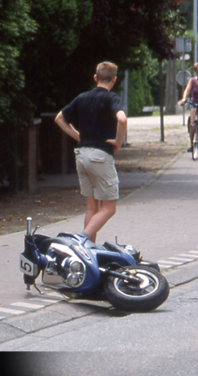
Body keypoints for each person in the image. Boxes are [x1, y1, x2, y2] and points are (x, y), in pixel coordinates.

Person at [55, 62, 127, 243]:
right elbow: (122, 119)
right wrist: (118, 142)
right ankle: (81, 240)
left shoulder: (81, 98)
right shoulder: (112, 98)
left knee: (91, 208)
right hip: (100, 157)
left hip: (81, 155)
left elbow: (59, 118)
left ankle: (88, 252)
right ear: (114, 80)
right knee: (109, 208)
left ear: (95, 78)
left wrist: (79, 137)